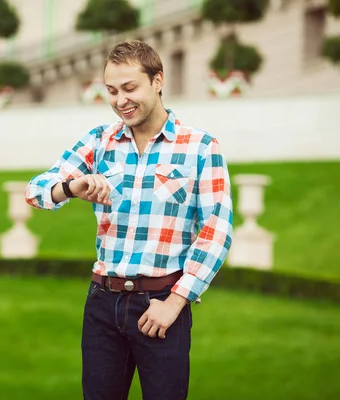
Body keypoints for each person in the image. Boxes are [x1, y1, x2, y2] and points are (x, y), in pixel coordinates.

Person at [24, 40, 233, 400]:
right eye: (112, 91)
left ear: (157, 81)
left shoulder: (199, 147)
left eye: (130, 87)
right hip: (103, 304)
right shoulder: (98, 142)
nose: (121, 100)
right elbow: (36, 190)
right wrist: (73, 186)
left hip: (162, 304)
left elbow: (216, 231)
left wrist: (175, 302)